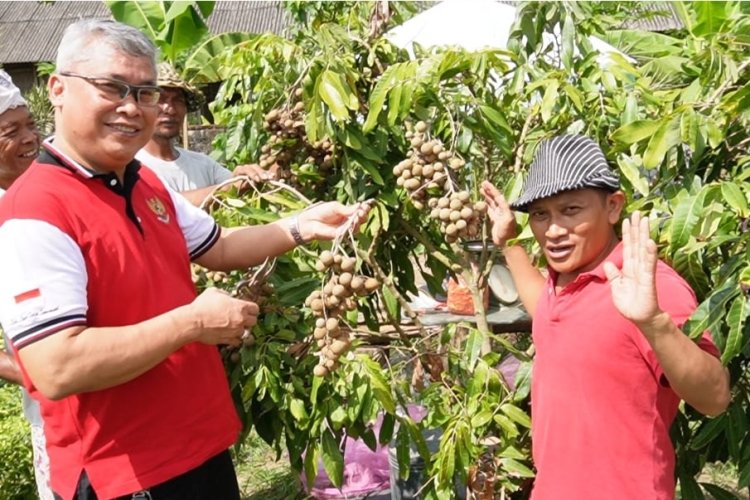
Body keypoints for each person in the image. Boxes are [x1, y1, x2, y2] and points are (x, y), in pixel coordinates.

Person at [0, 19, 369, 500]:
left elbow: (218, 246)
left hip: (196, 449)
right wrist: (192, 322)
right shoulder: (35, 211)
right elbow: (56, 367)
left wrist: (301, 225)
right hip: (126, 474)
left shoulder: (141, 181)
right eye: (113, 88)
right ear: (58, 89)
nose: (132, 108)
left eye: (145, 92)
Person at [481, 134, 730, 500]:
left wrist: (654, 322)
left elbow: (715, 398)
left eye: (570, 210)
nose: (552, 231)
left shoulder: (649, 288)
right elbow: (546, 315)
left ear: (613, 207)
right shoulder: (563, 280)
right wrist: (510, 242)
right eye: (539, 214)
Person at [0, 69, 52, 500]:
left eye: (31, 124)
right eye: (11, 131)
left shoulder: (57, 183)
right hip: (55, 410)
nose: (31, 138)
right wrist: (34, 374)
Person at [135, 62, 272, 206]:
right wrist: (229, 187)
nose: (170, 109)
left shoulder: (203, 164)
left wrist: (254, 172)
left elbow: (237, 186)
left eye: (178, 100)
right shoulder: (131, 166)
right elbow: (166, 205)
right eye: (160, 100)